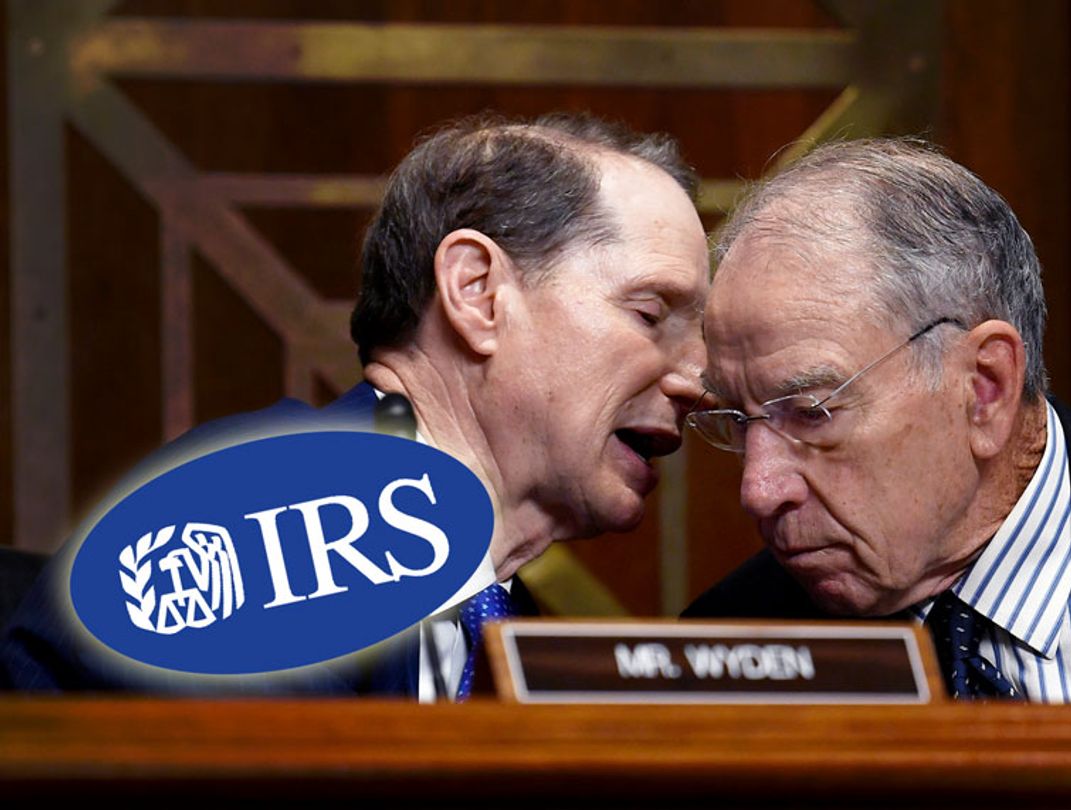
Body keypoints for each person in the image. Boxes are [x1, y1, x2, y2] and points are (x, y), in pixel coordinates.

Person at [2, 112, 710, 696]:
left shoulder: (484, 614)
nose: (696, 380)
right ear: (477, 294)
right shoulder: (269, 519)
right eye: (650, 315)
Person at [683, 138, 1071, 701]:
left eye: (813, 413)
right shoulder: (730, 654)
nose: (758, 491)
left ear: (984, 388)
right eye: (737, 421)